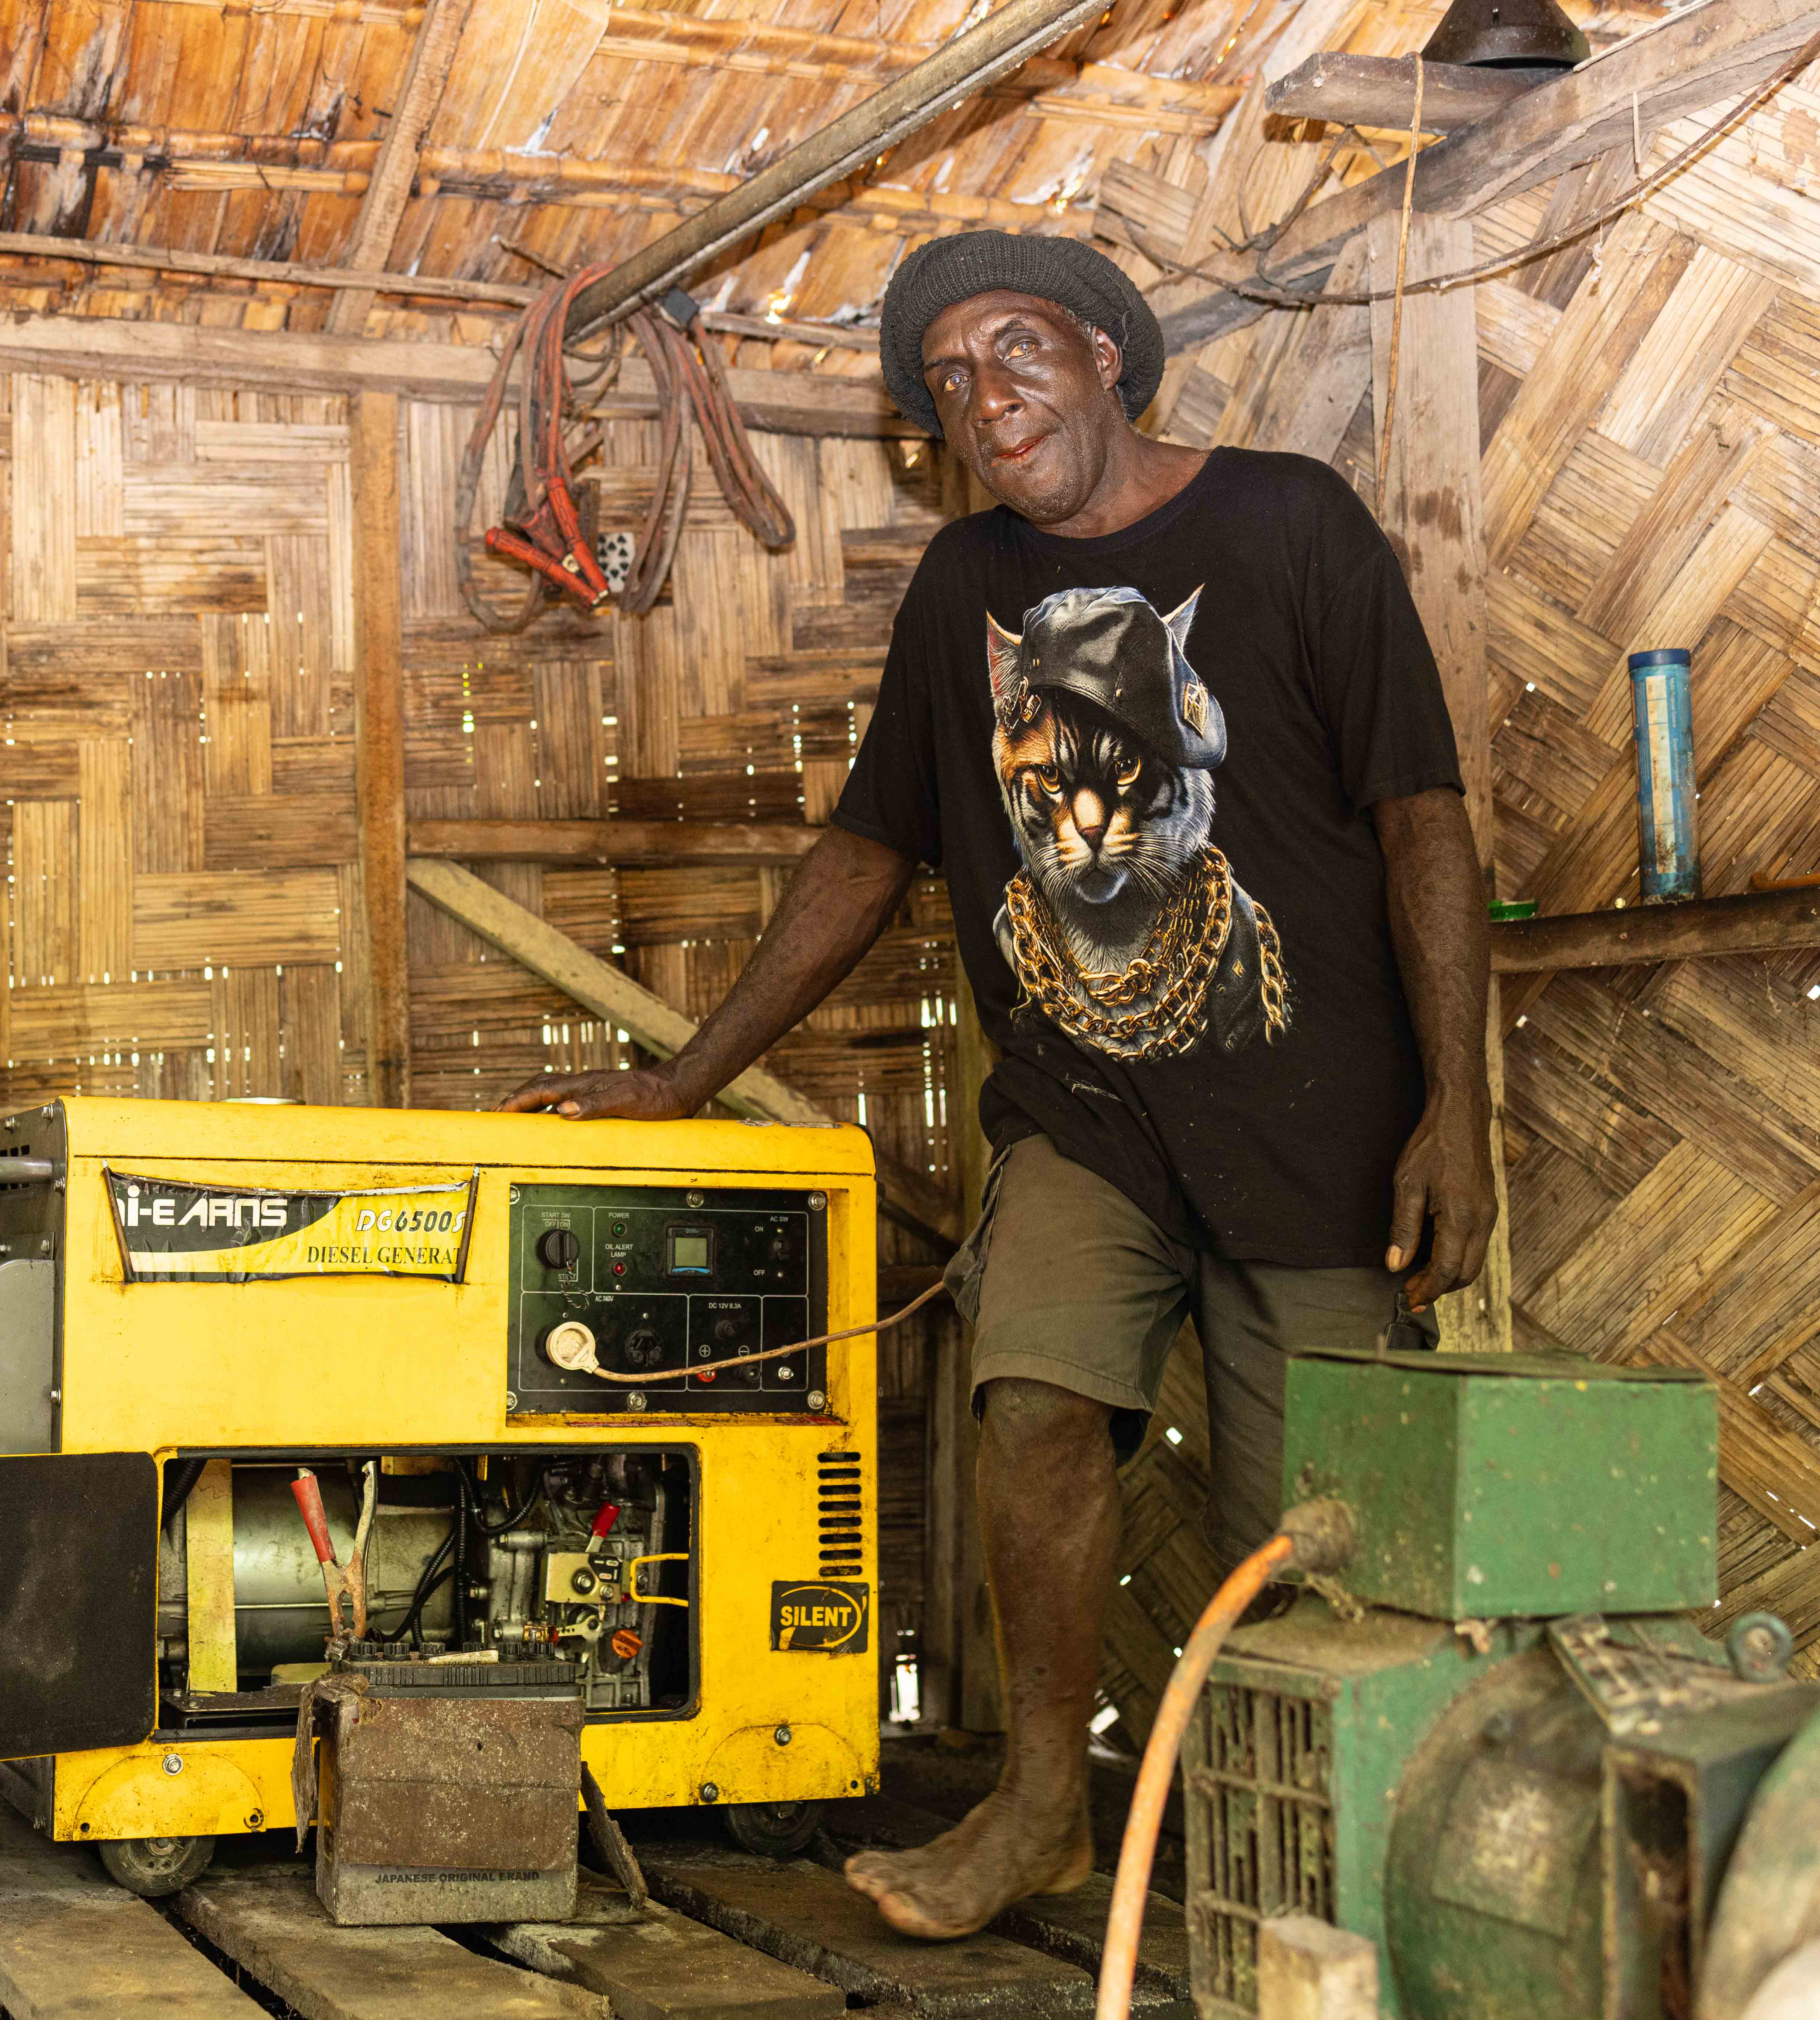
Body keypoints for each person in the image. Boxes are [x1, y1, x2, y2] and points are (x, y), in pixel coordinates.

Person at [499, 231, 1496, 1941]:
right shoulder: (965, 585)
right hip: (1086, 1118)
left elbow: (1421, 818)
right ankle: (1039, 1804)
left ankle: (1326, 1865)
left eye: (1014, 347)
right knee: (1027, 1395)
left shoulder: (1286, 527)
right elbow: (865, 854)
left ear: (1107, 351)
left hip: (1313, 1124)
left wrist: (1456, 1109)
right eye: (946, 379)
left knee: (1309, 1535)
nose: (981, 394)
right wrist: (679, 1084)